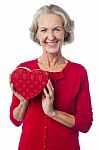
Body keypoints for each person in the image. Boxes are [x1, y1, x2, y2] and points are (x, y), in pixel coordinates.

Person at [9, 4, 93, 150]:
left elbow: (85, 124)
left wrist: (52, 112)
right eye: (44, 30)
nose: (51, 36)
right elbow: (15, 120)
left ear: (65, 33)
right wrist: (23, 103)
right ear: (37, 34)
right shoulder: (24, 71)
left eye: (57, 29)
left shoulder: (78, 72)